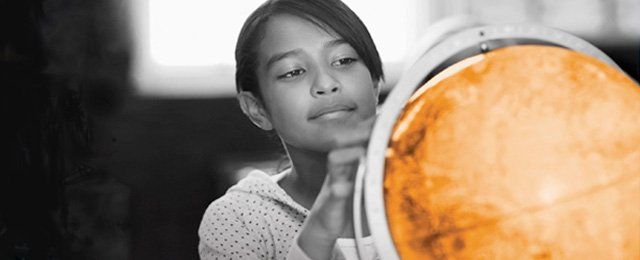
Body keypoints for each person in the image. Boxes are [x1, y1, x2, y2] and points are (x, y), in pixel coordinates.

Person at [198, 0, 383, 259]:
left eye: (343, 60)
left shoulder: (438, 187)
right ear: (257, 109)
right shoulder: (240, 219)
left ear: (375, 84)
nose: (326, 83)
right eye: (293, 72)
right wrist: (319, 230)